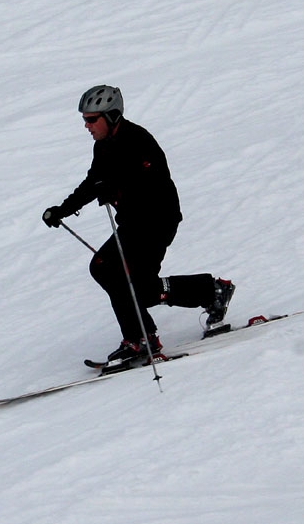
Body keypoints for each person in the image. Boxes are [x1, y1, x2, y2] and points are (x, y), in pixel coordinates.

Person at [43, 85, 235, 364]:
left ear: (112, 116)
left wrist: (114, 187)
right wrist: (62, 209)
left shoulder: (138, 140)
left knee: (118, 275)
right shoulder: (104, 146)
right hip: (134, 223)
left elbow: (148, 182)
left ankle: (142, 337)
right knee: (129, 283)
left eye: (91, 119)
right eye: (84, 119)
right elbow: (93, 182)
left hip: (156, 220)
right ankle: (211, 292)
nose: (86, 126)